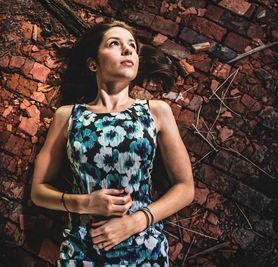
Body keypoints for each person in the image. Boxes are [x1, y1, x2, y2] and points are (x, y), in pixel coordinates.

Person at [30, 20, 194, 266]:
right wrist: (84, 203)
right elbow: (38, 190)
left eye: (131, 46)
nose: (128, 50)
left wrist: (134, 222)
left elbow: (185, 187)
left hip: (143, 249)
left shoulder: (156, 111)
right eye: (114, 44)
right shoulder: (68, 116)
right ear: (93, 63)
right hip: (83, 250)